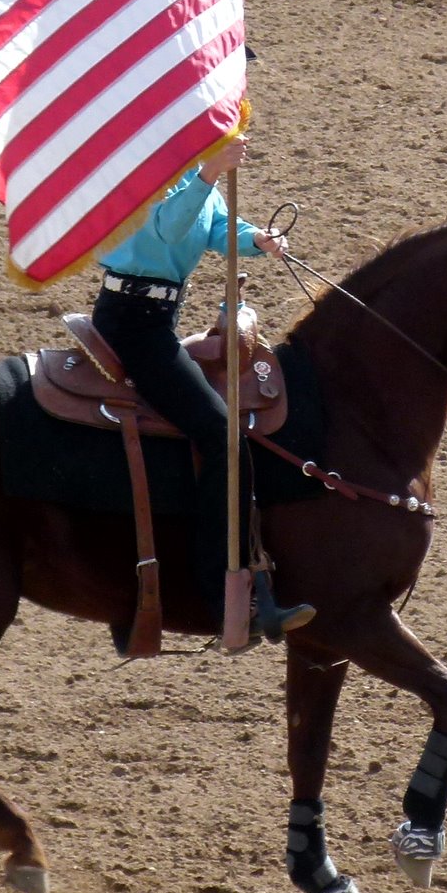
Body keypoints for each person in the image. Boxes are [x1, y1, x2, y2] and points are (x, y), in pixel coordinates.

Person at [92, 132, 315, 648]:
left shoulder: (191, 169)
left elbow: (214, 225)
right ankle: (225, 596)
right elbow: (169, 230)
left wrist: (254, 239)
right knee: (221, 435)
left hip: (154, 318)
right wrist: (210, 171)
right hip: (133, 323)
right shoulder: (149, 165)